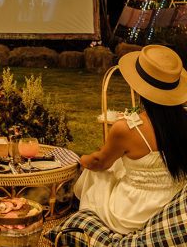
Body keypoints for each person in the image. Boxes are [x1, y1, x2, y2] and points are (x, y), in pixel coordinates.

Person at [74, 44, 187, 234]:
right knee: (120, 164)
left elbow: (99, 163)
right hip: (176, 208)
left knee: (96, 172)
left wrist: (82, 160)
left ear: (140, 88)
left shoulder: (126, 128)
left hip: (135, 215)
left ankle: (86, 225)